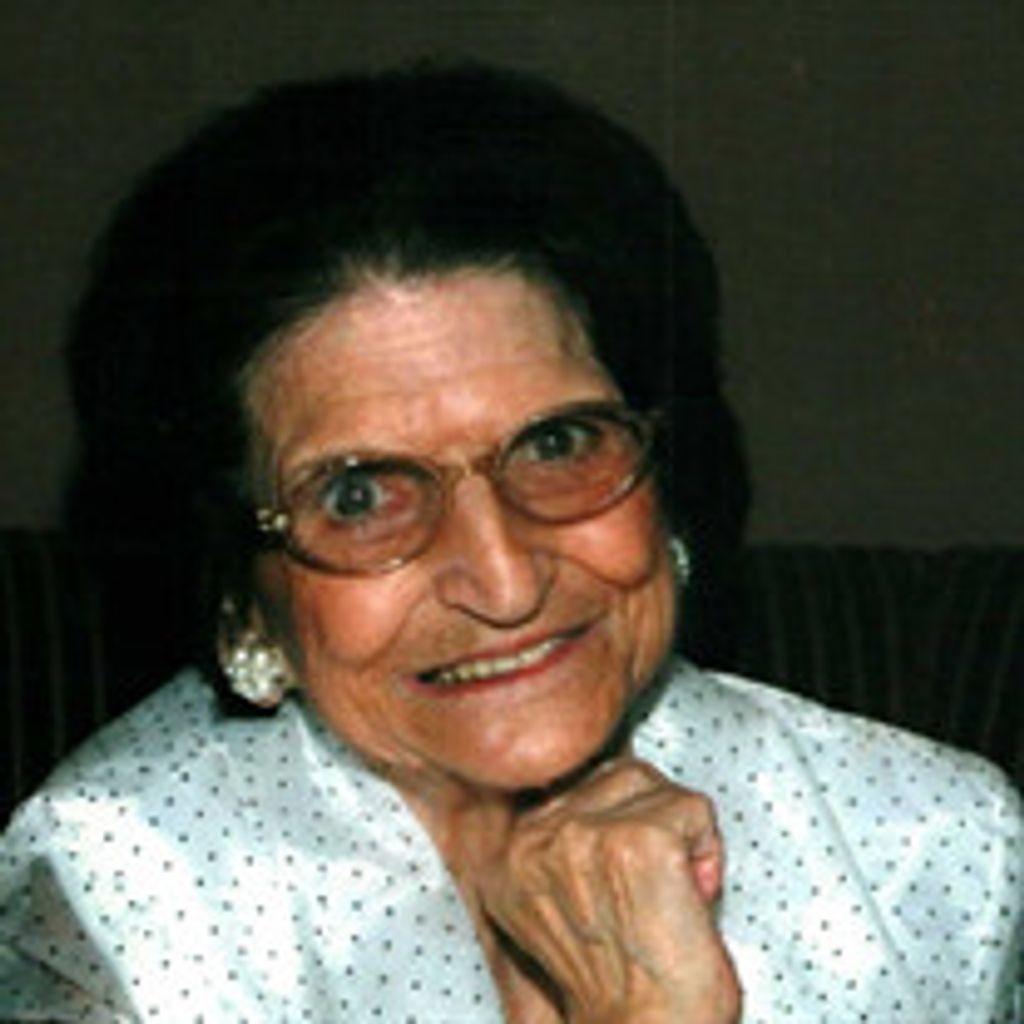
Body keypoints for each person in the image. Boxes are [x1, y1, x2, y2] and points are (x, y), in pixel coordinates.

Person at [0, 62, 1019, 1023]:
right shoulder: (128, 881)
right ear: (238, 594)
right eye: (359, 496)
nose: (504, 580)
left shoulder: (929, 846)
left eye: (557, 443)